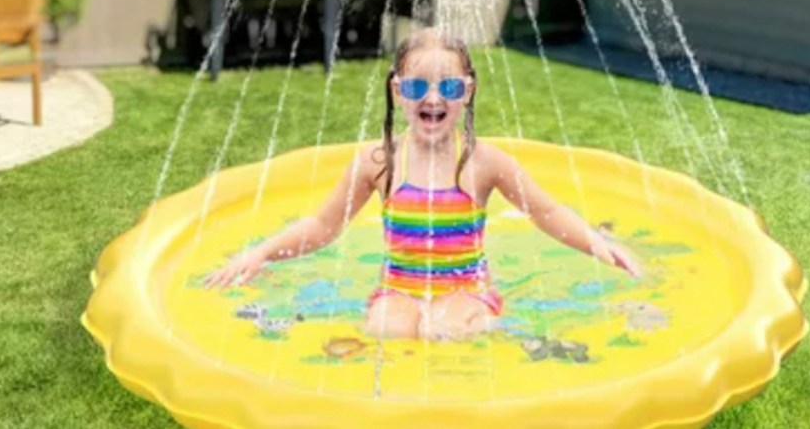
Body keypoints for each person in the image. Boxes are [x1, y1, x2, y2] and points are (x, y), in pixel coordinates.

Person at [205, 28, 642, 340]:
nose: (433, 99)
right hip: (399, 287)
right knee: (385, 332)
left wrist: (596, 242)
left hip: (464, 288)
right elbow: (322, 226)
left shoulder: (483, 162)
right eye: (418, 86)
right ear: (398, 91)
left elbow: (545, 212)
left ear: (467, 91)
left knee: (447, 331)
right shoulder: (379, 163)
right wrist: (261, 251)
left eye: (448, 86)